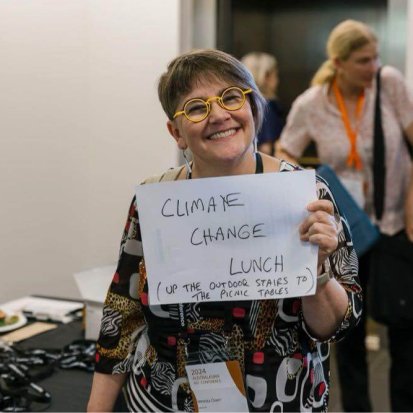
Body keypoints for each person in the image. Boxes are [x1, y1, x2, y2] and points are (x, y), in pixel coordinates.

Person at [87, 49, 362, 412]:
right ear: (177, 132)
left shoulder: (306, 195)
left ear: (252, 108)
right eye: (197, 107)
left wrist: (315, 274)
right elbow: (120, 318)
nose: (219, 114)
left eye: (231, 97)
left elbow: (335, 327)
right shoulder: (155, 202)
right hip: (167, 402)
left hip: (279, 401)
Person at [277, 19, 413, 412]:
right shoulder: (312, 103)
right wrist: (311, 186)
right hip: (345, 230)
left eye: (376, 58)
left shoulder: (391, 87)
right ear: (338, 62)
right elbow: (284, 150)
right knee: (348, 332)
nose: (373, 67)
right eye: (362, 61)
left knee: (404, 330)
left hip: (392, 226)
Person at [241, 52, 285, 156]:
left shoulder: (244, 105)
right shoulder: (267, 107)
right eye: (275, 75)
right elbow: (266, 149)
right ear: (266, 76)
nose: (277, 80)